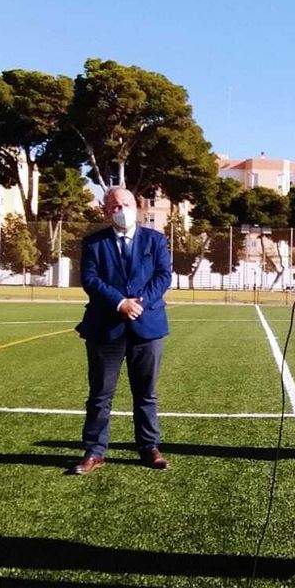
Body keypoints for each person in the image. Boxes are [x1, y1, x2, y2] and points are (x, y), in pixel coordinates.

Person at [69, 187, 173, 475]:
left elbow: (163, 275)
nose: (121, 209)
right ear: (105, 211)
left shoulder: (155, 240)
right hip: (105, 328)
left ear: (137, 207)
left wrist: (140, 303)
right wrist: (119, 303)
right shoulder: (94, 243)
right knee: (100, 395)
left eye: (126, 204)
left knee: (146, 393)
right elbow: (90, 278)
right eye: (114, 206)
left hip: (148, 325)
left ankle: (149, 447)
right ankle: (94, 451)